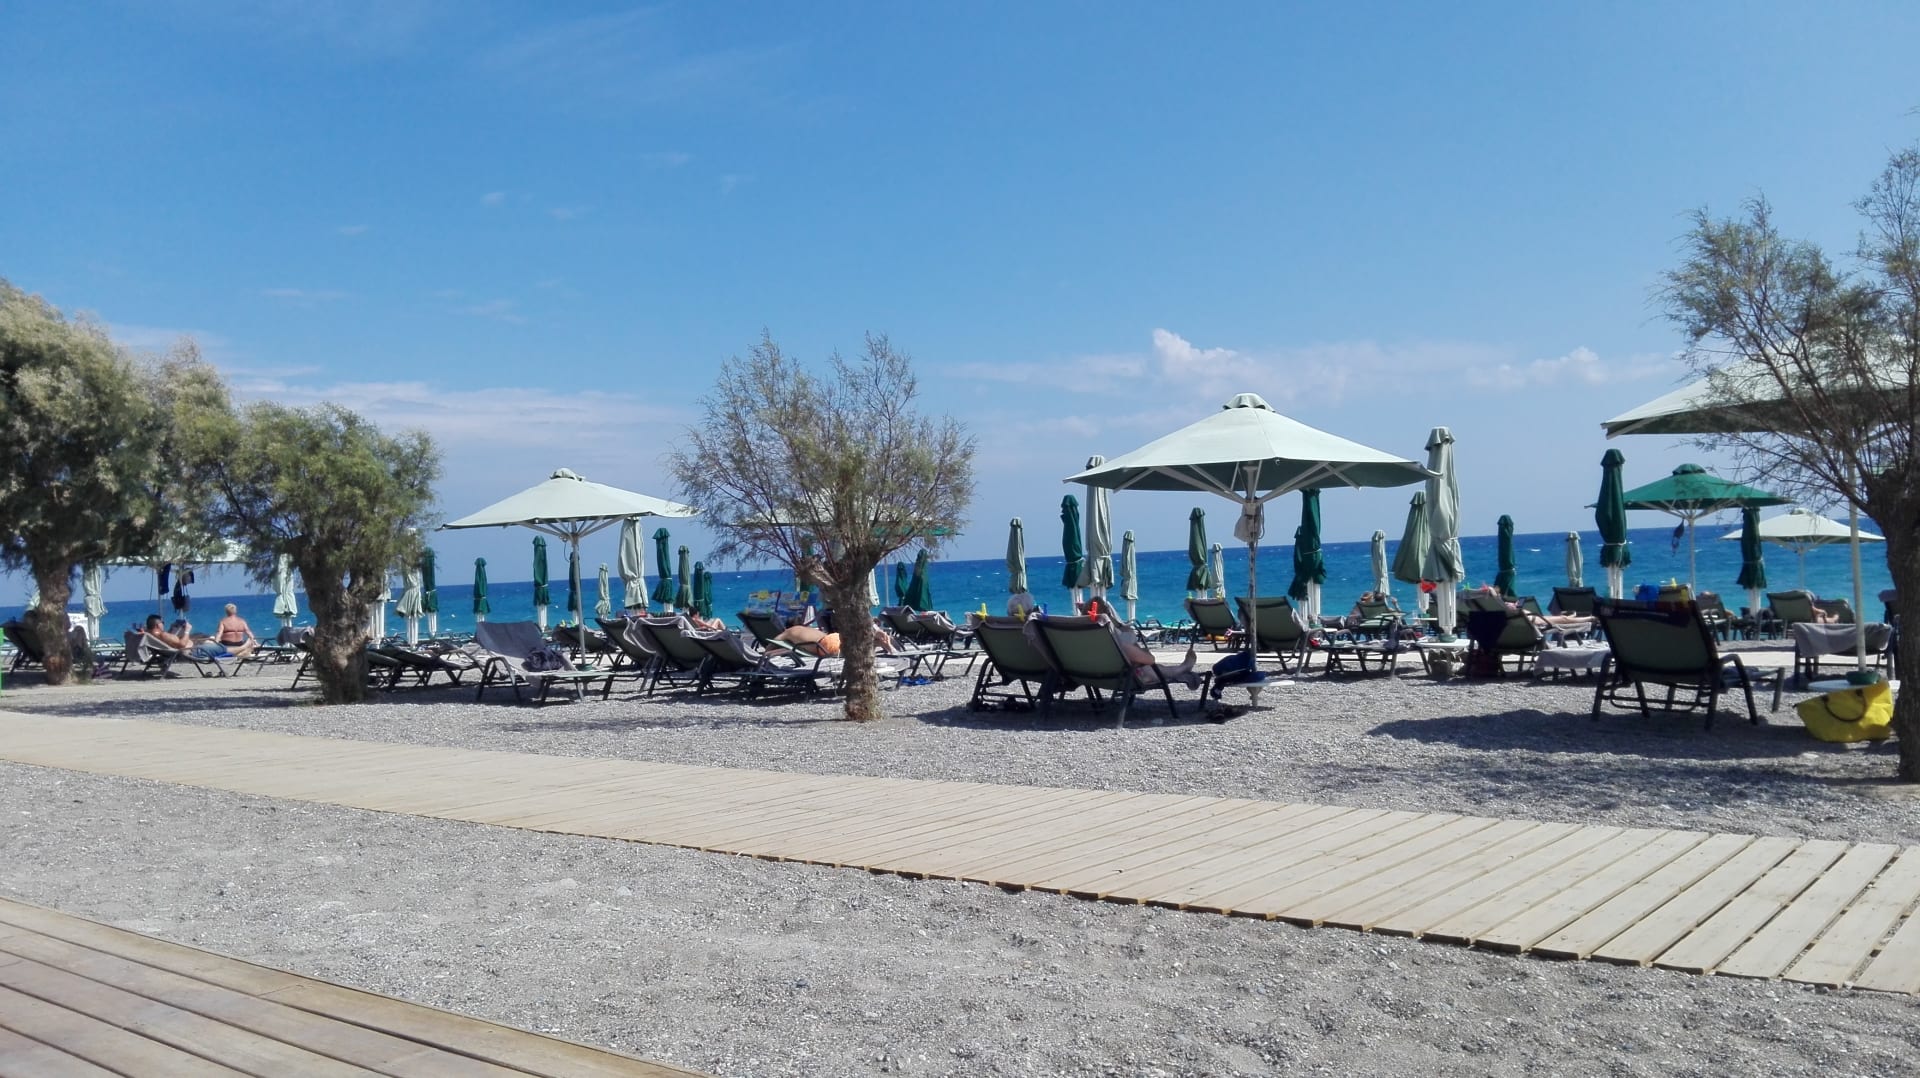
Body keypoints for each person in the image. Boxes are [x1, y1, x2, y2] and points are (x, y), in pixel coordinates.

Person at [772, 622, 900, 656]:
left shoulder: (788, 632)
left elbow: (773, 642)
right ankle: (880, 641)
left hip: (825, 646)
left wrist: (766, 654)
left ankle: (876, 641)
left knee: (856, 648)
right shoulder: (805, 629)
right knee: (856, 643)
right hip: (832, 636)